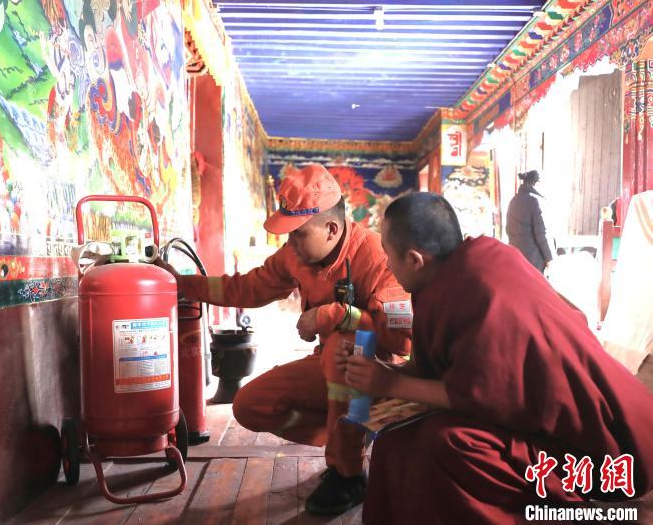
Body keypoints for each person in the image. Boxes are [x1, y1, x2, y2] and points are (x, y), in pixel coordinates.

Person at [335, 192, 653, 524]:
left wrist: (390, 383)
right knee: (394, 442)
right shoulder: (466, 265)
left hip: (610, 452)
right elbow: (443, 372)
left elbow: (475, 395)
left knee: (446, 443)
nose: (387, 265)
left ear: (415, 260)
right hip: (564, 421)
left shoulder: (481, 290)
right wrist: (378, 371)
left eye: (388, 255)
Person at [159, 163, 412, 515]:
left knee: (341, 347)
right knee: (250, 406)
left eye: (297, 234)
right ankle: (350, 434)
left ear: (332, 229)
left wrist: (335, 315)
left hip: (385, 376)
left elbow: (401, 342)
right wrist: (183, 285)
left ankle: (348, 474)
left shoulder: (378, 257)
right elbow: (249, 287)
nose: (289, 244)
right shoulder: (296, 255)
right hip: (334, 370)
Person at [506, 169, 555, 272]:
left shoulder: (513, 201)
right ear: (536, 183)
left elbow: (508, 229)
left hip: (516, 257)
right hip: (533, 259)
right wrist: (549, 258)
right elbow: (540, 233)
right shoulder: (534, 201)